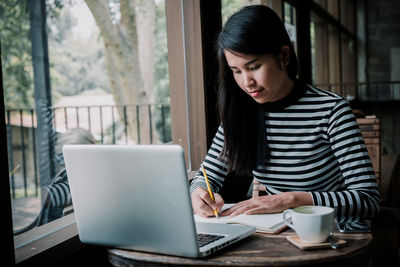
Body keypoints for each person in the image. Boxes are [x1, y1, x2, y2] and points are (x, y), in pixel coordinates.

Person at [190, 5, 380, 221]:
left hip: (332, 236)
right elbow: (206, 177)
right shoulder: (242, 112)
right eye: (236, 71)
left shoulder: (332, 111)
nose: (246, 82)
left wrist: (290, 200)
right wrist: (198, 193)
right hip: (277, 234)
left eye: (254, 67)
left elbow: (368, 200)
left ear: (284, 56)